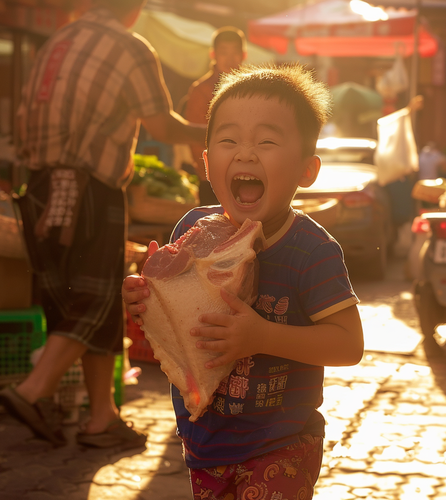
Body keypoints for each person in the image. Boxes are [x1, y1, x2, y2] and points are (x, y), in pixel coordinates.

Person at [122, 64, 364, 498]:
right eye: (228, 140)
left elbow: (348, 345)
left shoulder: (313, 251)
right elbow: (172, 325)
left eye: (267, 141)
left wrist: (261, 336)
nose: (245, 153)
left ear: (307, 171)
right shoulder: (191, 232)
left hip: (283, 443)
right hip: (205, 442)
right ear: (207, 163)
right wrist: (143, 299)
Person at [0, 0, 205, 449]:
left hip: (37, 188)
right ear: (133, 10)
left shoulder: (58, 41)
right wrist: (209, 132)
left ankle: (102, 418)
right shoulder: (129, 46)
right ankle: (32, 391)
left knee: (72, 301)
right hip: (87, 188)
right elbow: (160, 126)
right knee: (94, 299)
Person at [182, 26, 246, 205]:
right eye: (224, 52)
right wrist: (207, 176)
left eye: (235, 52)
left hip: (247, 176)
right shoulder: (201, 90)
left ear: (244, 55)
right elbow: (196, 137)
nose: (230, 59)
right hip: (212, 180)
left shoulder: (252, 89)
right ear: (213, 54)